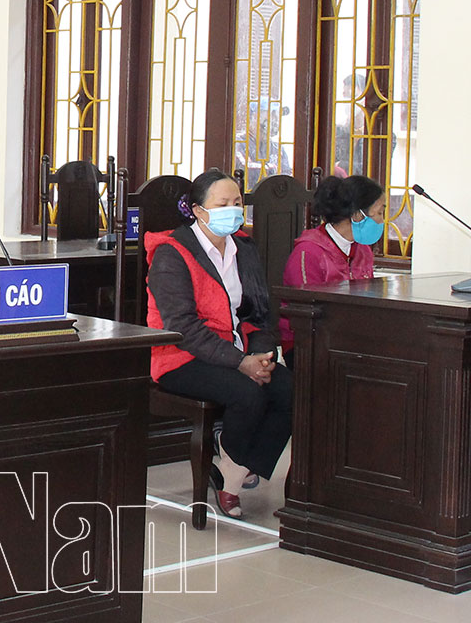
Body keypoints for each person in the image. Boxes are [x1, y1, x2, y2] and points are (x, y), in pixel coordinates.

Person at [145, 168, 291, 519]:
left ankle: (234, 463)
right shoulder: (172, 253)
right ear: (198, 210)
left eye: (237, 202)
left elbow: (259, 311)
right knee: (248, 392)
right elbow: (182, 328)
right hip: (180, 356)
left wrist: (260, 354)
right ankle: (233, 475)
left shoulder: (244, 247)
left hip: (236, 349)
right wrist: (241, 362)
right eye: (222, 204)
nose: (233, 210)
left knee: (291, 389)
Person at [278, 175, 384, 357]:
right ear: (357, 215)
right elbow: (306, 314)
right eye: (380, 213)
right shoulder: (308, 252)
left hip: (351, 340)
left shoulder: (363, 250)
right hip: (306, 343)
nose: (382, 221)